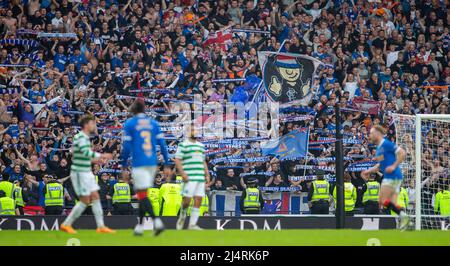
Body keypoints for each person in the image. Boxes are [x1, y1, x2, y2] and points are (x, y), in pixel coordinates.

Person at [119, 99, 171, 236]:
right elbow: (163, 145)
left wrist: (123, 166)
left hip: (139, 163)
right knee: (143, 195)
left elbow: (126, 147)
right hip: (152, 162)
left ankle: (157, 222)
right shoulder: (153, 123)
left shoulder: (130, 123)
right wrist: (166, 163)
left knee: (142, 194)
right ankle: (140, 227)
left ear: (133, 110)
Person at [60, 115, 115, 234]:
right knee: (86, 200)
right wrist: (102, 156)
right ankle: (66, 224)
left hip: (85, 171)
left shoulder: (83, 137)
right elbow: (85, 153)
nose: (94, 125)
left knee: (95, 196)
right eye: (92, 123)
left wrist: (97, 160)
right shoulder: (80, 137)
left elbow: (81, 155)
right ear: (86, 125)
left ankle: (100, 226)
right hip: (80, 172)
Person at [362, 125, 409, 230]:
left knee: (383, 200)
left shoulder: (386, 144)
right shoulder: (380, 147)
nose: (370, 135)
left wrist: (393, 166)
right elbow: (380, 165)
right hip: (391, 176)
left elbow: (402, 153)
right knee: (385, 201)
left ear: (378, 134)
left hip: (393, 175)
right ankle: (404, 218)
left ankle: (403, 216)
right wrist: (368, 171)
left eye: (372, 133)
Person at [175, 126, 210, 230]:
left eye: (196, 130)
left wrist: (207, 174)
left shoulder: (200, 146)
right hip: (189, 177)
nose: (195, 131)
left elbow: (203, 161)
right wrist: (183, 173)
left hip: (199, 177)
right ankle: (182, 217)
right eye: (193, 130)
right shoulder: (183, 145)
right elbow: (177, 160)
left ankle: (192, 224)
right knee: (187, 200)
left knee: (198, 199)